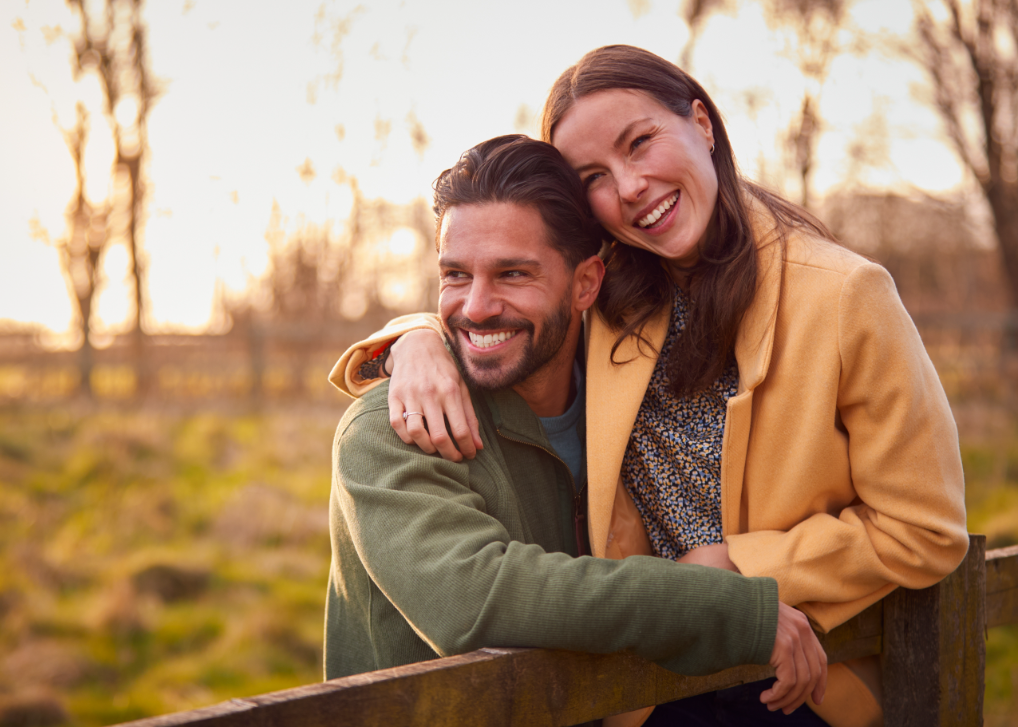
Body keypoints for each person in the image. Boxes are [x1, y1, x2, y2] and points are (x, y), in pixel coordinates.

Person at [330, 46, 969, 727]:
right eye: (595, 176)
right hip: (643, 686)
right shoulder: (619, 296)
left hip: (794, 674)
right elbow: (504, 288)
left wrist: (734, 566)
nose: (630, 186)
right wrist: (416, 339)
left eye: (640, 143)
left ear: (702, 121)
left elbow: (925, 527)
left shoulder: (845, 295)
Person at [325, 134, 829, 724]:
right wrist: (733, 611)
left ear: (586, 283)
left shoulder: (630, 405)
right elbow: (477, 600)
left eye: (512, 274)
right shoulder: (389, 427)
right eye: (455, 275)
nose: (476, 306)